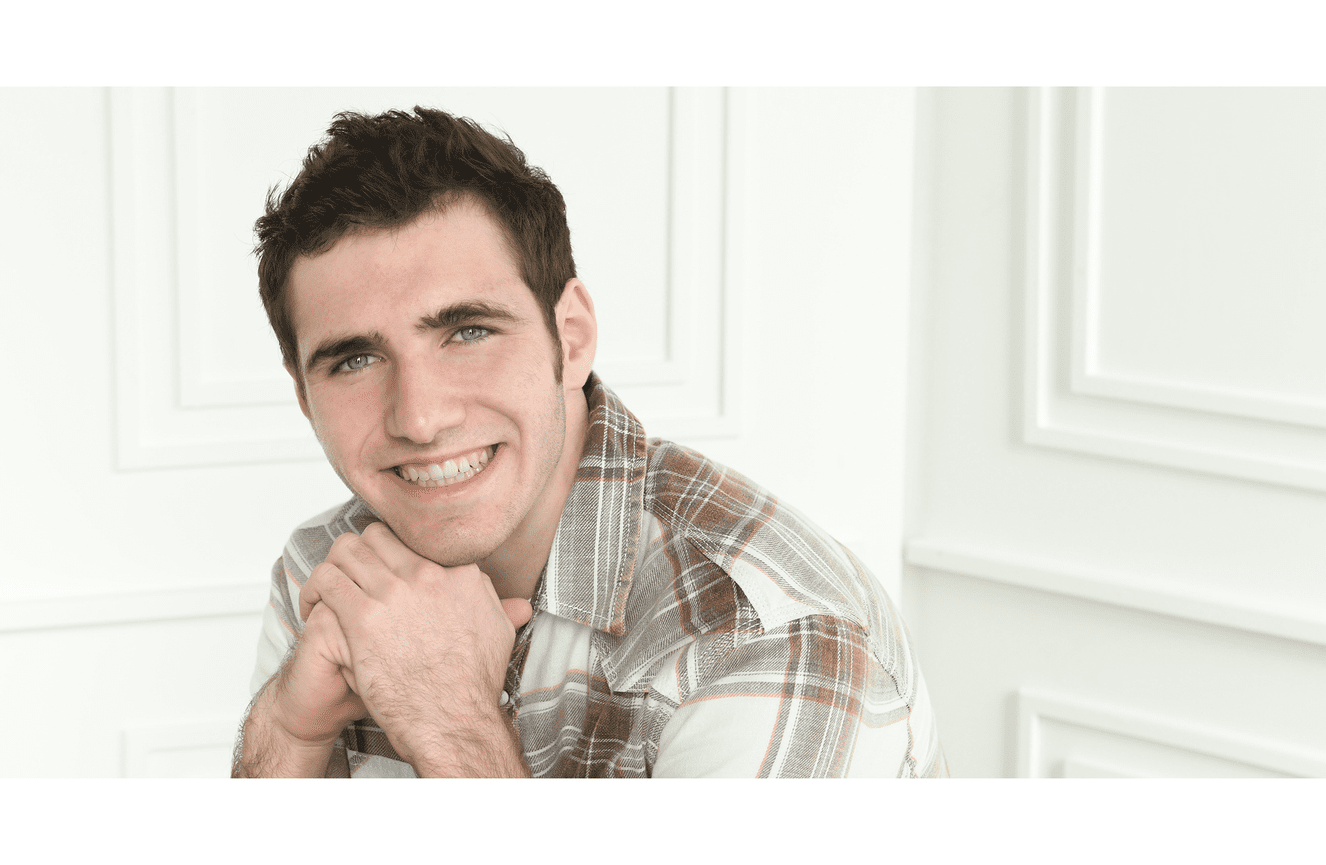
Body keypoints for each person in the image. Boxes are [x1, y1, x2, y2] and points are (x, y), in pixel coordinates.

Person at [232, 106, 946, 778]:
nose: (418, 419)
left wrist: (451, 721)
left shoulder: (769, 638)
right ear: (304, 395)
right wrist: (291, 730)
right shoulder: (326, 569)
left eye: (468, 331)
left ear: (570, 338)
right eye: (354, 360)